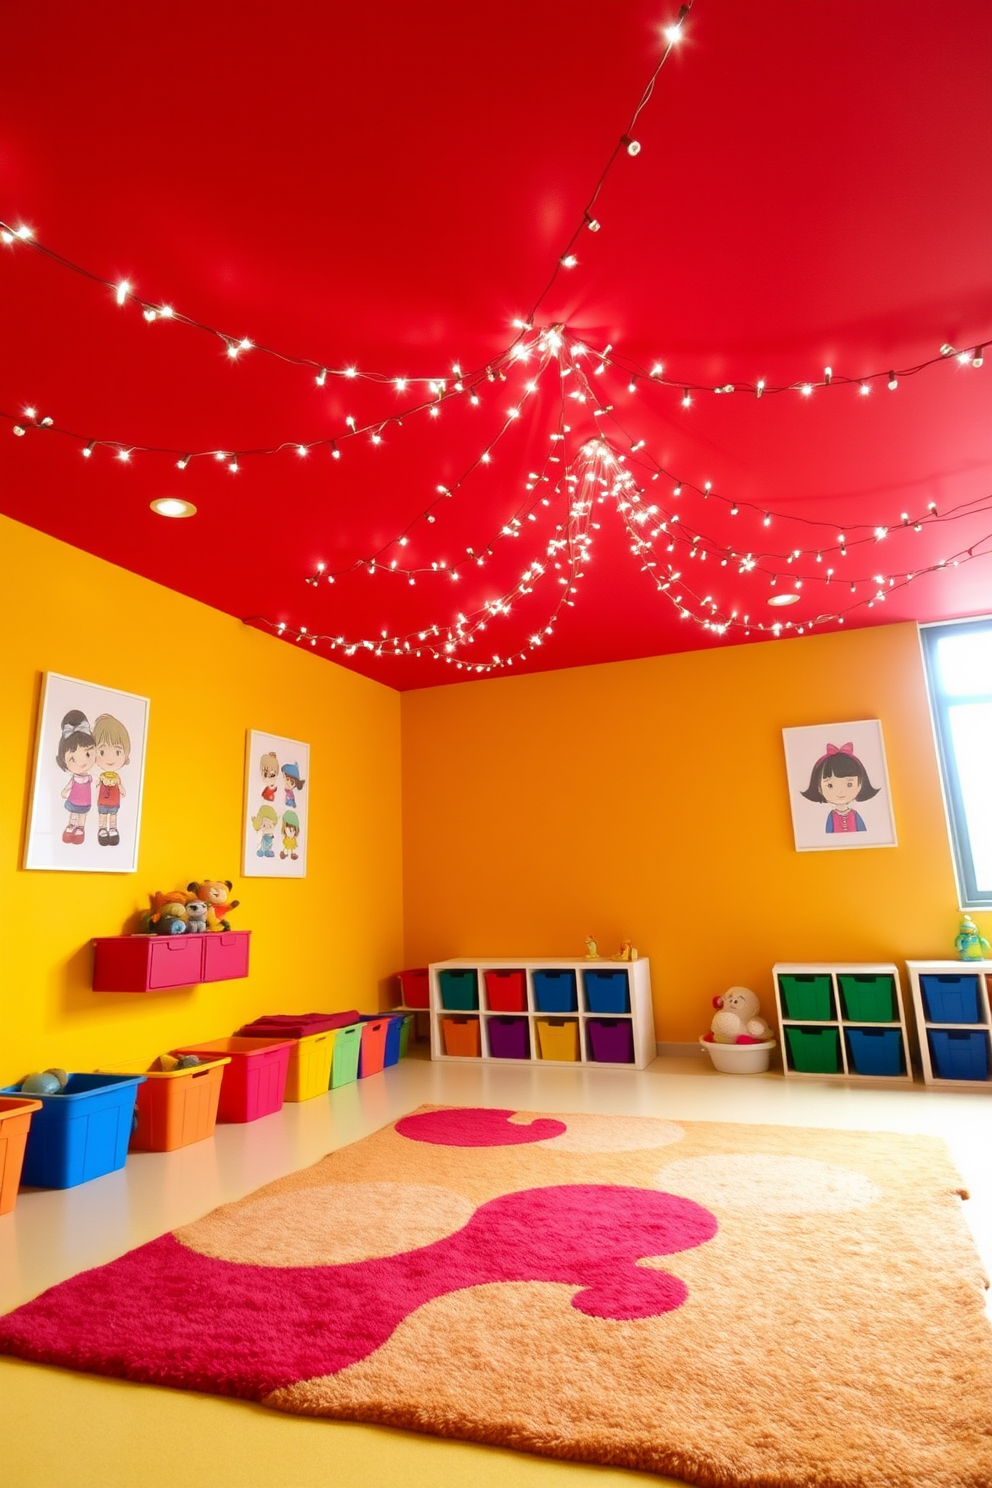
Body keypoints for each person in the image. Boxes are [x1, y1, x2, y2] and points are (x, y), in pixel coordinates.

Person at [800, 741, 880, 833]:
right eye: (830, 785)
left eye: (849, 784)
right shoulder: (831, 816)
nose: (841, 792)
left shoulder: (855, 815)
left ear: (861, 784)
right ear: (819, 787)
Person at [56, 710, 96, 845]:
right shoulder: (74, 778)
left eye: (88, 754)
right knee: (73, 813)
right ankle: (71, 826)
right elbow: (69, 785)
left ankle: (81, 828)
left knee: (82, 816)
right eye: (73, 758)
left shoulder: (90, 777)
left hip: (85, 802)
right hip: (74, 800)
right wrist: (64, 791)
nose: (82, 763)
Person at [93, 713, 131, 847]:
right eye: (102, 752)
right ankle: (102, 829)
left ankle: (113, 829)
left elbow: (120, 786)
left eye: (117, 752)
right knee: (102, 816)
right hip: (103, 801)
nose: (110, 758)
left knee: (113, 816)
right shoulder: (101, 776)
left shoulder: (117, 777)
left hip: (114, 801)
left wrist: (122, 789)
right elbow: (96, 786)